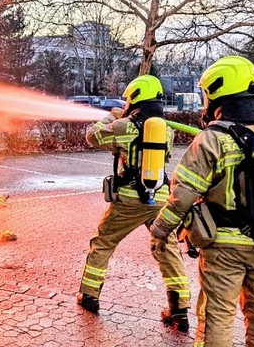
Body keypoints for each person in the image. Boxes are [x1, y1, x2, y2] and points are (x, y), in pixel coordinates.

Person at [149, 56, 254, 346]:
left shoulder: (211, 140)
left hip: (223, 248)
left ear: (217, 93)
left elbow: (181, 197)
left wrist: (159, 231)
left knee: (217, 316)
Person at [77, 75, 191, 332]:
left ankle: (89, 296)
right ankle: (179, 309)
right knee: (167, 247)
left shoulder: (124, 127)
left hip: (129, 200)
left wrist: (113, 116)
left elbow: (92, 137)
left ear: (135, 97)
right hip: (160, 198)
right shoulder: (167, 130)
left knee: (104, 242)